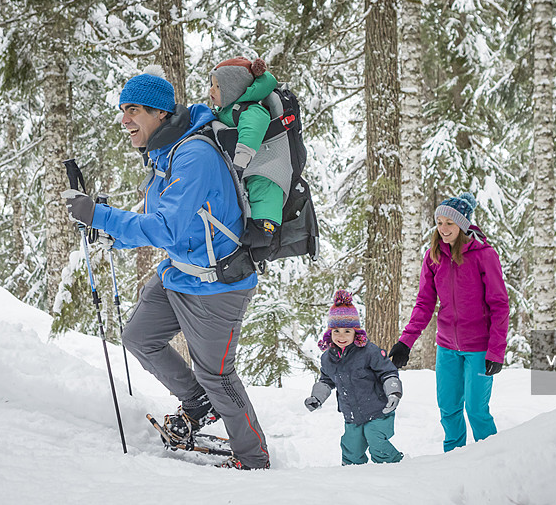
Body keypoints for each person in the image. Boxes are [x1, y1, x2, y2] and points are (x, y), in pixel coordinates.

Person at [61, 68, 269, 470]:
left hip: (217, 285)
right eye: (123, 110)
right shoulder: (165, 154)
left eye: (133, 109)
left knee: (218, 376)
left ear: (159, 113)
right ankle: (197, 404)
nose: (125, 119)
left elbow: (166, 227)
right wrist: (110, 235)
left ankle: (253, 457)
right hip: (180, 272)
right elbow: (167, 224)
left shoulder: (194, 155)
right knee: (139, 337)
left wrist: (100, 215)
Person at [388, 193, 509, 452]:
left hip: (478, 348)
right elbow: (424, 304)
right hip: (447, 348)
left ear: (463, 225)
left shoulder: (484, 255)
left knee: (476, 410)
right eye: (439, 222)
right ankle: (453, 460)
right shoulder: (433, 257)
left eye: (449, 224)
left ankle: (492, 458)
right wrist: (405, 342)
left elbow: (500, 305)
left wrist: (496, 351)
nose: (443, 229)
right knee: (449, 410)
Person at [304, 290, 404, 465]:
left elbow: (388, 372)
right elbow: (326, 381)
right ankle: (351, 479)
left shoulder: (369, 352)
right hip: (352, 415)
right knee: (351, 449)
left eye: (347, 331)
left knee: (377, 443)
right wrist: (316, 398)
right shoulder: (328, 358)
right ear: (330, 332)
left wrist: (394, 392)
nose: (341, 336)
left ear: (356, 332)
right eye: (336, 331)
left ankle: (395, 468)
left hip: (378, 410)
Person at [208, 56, 285, 261]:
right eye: (212, 85)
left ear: (233, 89)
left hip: (265, 167)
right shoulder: (227, 110)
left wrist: (241, 160)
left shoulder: (251, 110)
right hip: (247, 168)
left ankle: (264, 232)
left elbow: (252, 131)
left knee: (264, 193)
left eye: (217, 86)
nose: (211, 90)